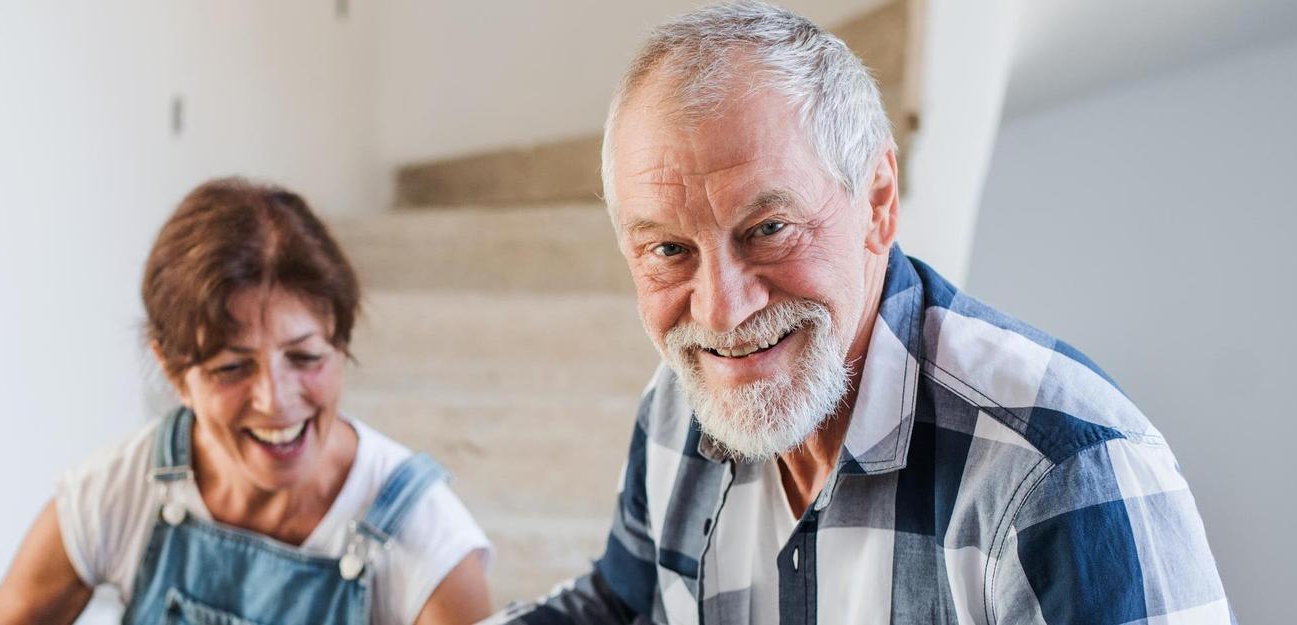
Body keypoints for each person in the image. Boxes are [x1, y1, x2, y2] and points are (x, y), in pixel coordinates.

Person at [488, 2, 1231, 623]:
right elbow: (618, 606)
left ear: (877, 203)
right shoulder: (679, 406)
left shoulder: (1065, 471)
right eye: (669, 249)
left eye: (769, 229)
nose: (720, 311)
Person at [0, 178, 493, 625]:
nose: (275, 400)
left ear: (341, 343)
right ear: (173, 371)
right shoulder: (119, 491)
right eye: (231, 367)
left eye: (306, 357)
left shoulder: (424, 535)